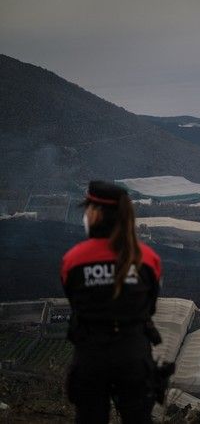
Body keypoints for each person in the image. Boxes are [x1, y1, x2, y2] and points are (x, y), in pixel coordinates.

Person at [60, 180, 162, 424]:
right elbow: (150, 307)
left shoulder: (73, 259)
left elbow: (74, 302)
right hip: (133, 354)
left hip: (91, 355)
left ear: (95, 213)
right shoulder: (147, 258)